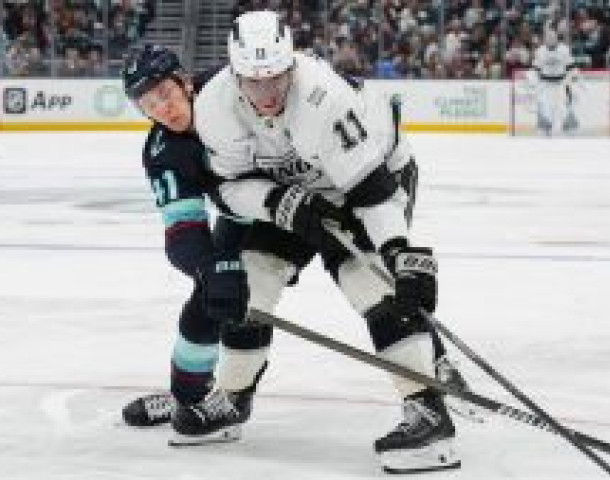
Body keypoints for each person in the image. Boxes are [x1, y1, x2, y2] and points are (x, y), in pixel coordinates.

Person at [191, 10, 462, 474]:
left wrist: (397, 251)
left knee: (371, 283)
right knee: (250, 281)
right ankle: (232, 397)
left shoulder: (323, 97)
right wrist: (279, 202)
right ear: (234, 74)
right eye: (254, 82)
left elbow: (372, 191)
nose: (267, 93)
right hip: (290, 193)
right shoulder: (214, 106)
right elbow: (226, 187)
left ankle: (427, 409)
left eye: (276, 78)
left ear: (291, 65)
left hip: (369, 180)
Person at [119, 45, 272, 442]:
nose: (163, 109)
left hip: (299, 195)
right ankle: (189, 398)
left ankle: (233, 402)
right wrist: (209, 268)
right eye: (149, 104)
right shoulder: (162, 152)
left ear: (185, 82)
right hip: (243, 212)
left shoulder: (228, 89)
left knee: (259, 288)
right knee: (213, 294)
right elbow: (182, 232)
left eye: (165, 93)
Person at [530, 27, 581, 136]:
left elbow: (571, 65)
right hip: (545, 83)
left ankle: (569, 125)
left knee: (563, 106)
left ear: (557, 38)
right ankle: (544, 126)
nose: (550, 40)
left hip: (560, 83)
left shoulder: (564, 50)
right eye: (548, 38)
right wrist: (533, 81)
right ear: (545, 39)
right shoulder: (540, 51)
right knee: (544, 106)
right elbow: (536, 68)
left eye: (553, 38)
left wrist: (573, 75)